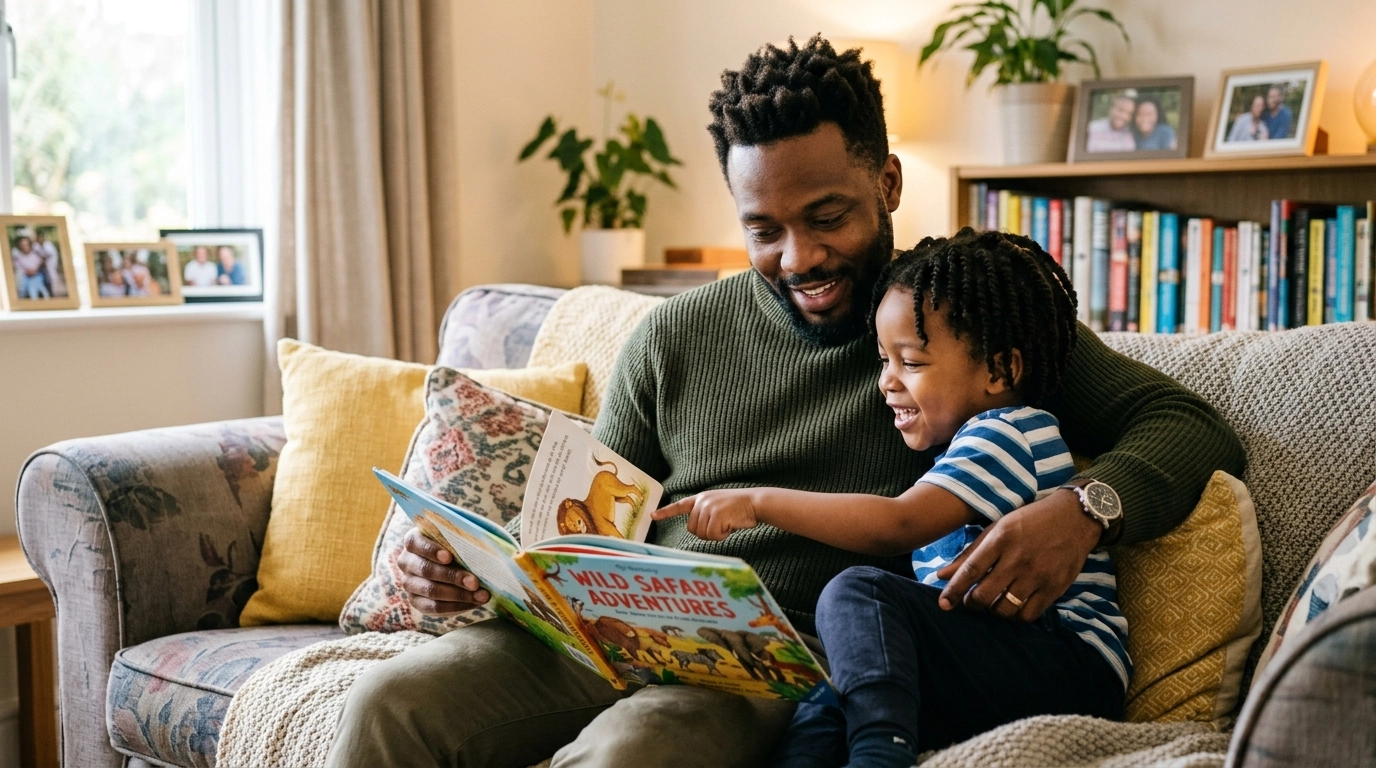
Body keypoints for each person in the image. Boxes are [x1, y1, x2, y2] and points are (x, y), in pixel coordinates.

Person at [327, 36, 1244, 768]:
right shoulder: (670, 339)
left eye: (828, 216)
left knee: (633, 754)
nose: (798, 258)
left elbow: (1187, 424)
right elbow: (585, 529)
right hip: (620, 630)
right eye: (764, 229)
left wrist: (1086, 508)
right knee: (388, 705)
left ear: (887, 183)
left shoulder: (958, 323)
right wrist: (461, 570)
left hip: (777, 664)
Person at [655, 231, 1126, 766]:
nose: (887, 383)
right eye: (884, 361)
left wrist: (758, 502)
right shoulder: (959, 449)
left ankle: (881, 757)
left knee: (858, 594)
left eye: (912, 363)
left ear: (1001, 371)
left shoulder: (1010, 433)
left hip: (1068, 665)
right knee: (832, 692)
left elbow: (897, 525)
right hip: (992, 660)